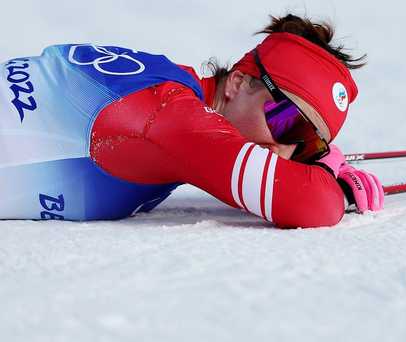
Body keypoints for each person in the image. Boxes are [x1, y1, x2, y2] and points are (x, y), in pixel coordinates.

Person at [0, 14, 383, 228]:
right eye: (289, 122)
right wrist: (329, 183)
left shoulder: (169, 84)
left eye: (309, 143)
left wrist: (315, 162)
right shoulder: (173, 115)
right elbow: (310, 203)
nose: (286, 150)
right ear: (238, 82)